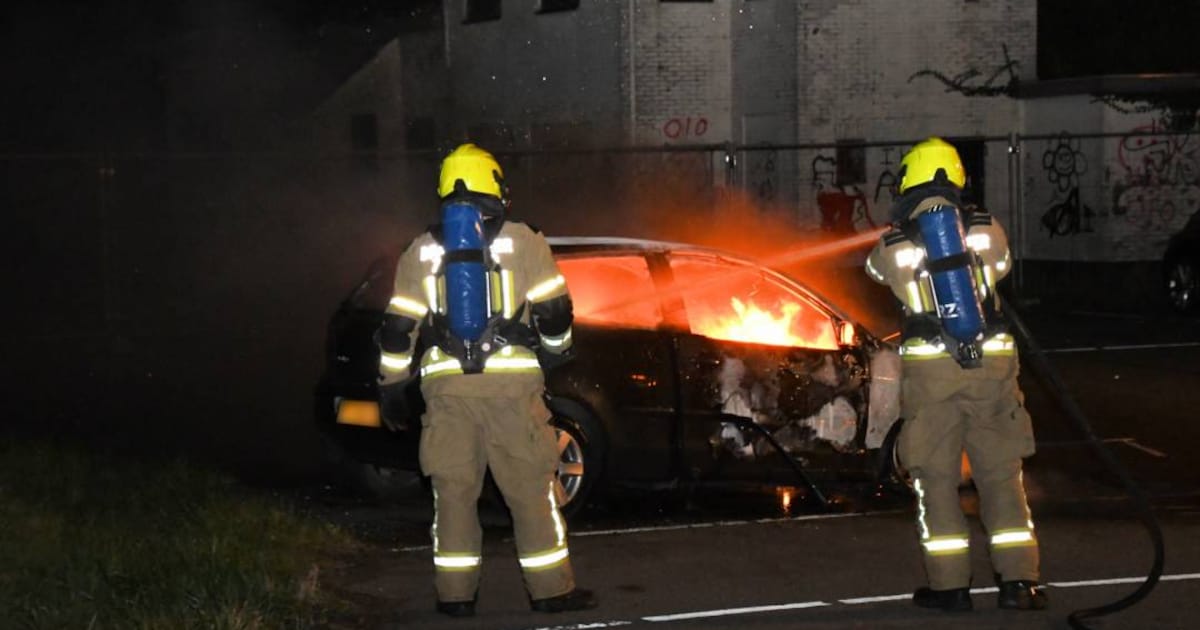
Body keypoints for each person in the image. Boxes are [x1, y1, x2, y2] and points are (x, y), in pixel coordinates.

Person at [376, 143, 595, 617]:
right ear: (494, 184)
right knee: (531, 492)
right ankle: (552, 591)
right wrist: (556, 355)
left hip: (447, 393)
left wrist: (391, 387)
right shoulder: (525, 239)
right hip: (512, 393)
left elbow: (398, 327)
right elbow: (555, 312)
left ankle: (455, 598)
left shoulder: (420, 250)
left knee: (453, 497)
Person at [865, 137, 1047, 612]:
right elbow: (1001, 269)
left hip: (933, 374)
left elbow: (874, 271)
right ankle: (1020, 584)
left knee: (936, 479)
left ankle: (951, 588)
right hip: (993, 367)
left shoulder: (895, 242)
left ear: (909, 178)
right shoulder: (987, 228)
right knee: (1002, 476)